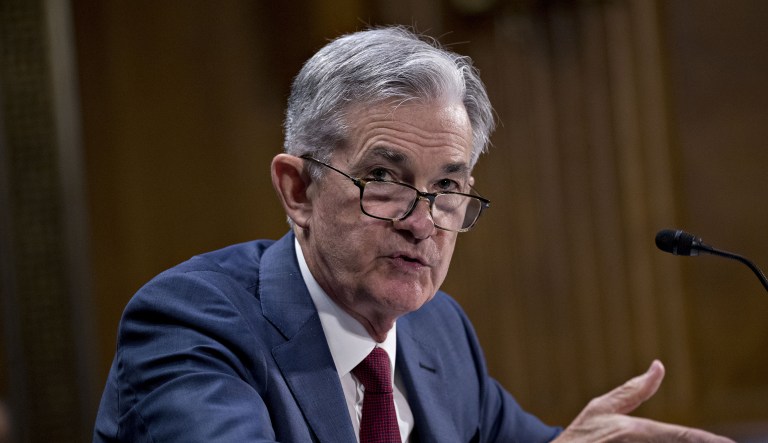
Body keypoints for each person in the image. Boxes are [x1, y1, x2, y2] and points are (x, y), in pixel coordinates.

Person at [93, 26, 734, 442]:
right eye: (384, 177)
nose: (423, 221)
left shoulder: (438, 332)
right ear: (298, 190)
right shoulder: (192, 324)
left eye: (448, 188)